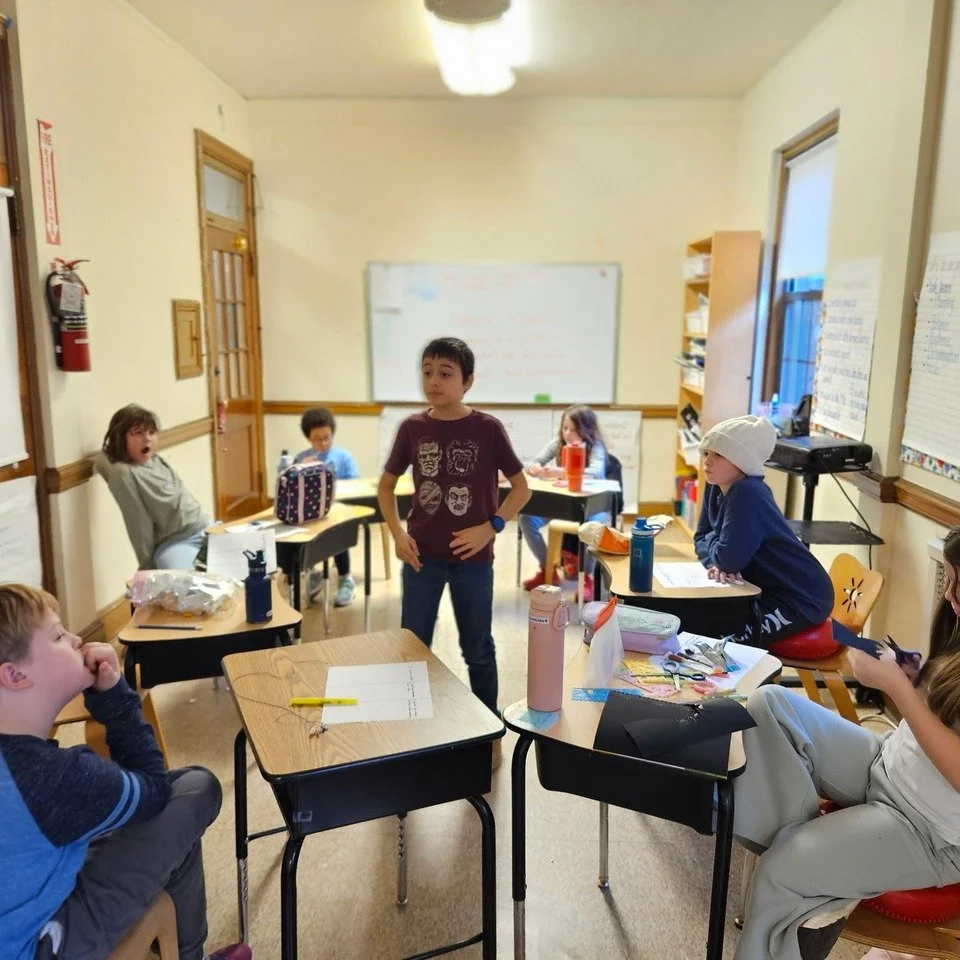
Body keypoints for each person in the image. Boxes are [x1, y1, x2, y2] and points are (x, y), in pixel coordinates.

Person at [733, 526, 960, 960]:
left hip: (931, 832)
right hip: (890, 764)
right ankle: (815, 866)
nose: (948, 592)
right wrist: (915, 675)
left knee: (778, 871)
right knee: (768, 705)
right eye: (947, 577)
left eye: (956, 581)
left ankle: (802, 872)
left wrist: (899, 688)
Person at [0, 583, 247, 960]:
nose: (76, 639)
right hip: (38, 946)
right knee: (195, 789)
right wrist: (114, 693)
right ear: (15, 676)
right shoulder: (53, 777)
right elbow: (154, 790)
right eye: (57, 635)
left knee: (172, 797)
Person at [378, 337, 530, 717]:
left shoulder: (488, 428)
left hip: (473, 561)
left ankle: (489, 726)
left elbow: (521, 489)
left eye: (445, 373)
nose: (434, 381)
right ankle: (409, 723)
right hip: (421, 559)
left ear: (468, 381)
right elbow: (386, 485)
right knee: (412, 646)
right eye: (427, 372)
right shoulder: (412, 428)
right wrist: (398, 533)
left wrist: (491, 526)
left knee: (477, 649)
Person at [694, 415, 834, 646]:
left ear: (741, 461)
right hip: (761, 590)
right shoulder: (716, 485)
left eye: (718, 455)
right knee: (699, 618)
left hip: (800, 600)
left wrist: (720, 559)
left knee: (717, 639)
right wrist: (716, 562)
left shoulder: (747, 493)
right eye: (706, 453)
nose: (707, 462)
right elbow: (701, 538)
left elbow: (728, 559)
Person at [95, 404, 209, 570]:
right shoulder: (124, 473)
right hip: (174, 543)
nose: (147, 439)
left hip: (203, 527)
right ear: (120, 437)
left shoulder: (154, 459)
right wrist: (147, 565)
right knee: (186, 586)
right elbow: (137, 522)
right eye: (138, 433)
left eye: (151, 432)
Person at [520, 404, 610, 599]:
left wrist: (563, 472)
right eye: (565, 428)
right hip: (561, 504)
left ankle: (586, 578)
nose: (568, 434)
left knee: (591, 526)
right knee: (527, 519)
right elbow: (536, 461)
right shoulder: (559, 443)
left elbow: (596, 472)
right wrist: (534, 468)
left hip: (590, 505)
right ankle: (547, 570)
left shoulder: (596, 447)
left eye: (574, 429)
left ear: (586, 430)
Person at [295, 406, 360, 607]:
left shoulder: (343, 457)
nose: (323, 443)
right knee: (305, 534)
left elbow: (355, 484)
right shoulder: (302, 458)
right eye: (317, 439)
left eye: (327, 437)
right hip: (312, 514)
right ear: (308, 439)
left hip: (337, 510)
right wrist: (301, 469)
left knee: (337, 533)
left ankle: (345, 578)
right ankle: (313, 572)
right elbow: (295, 489)